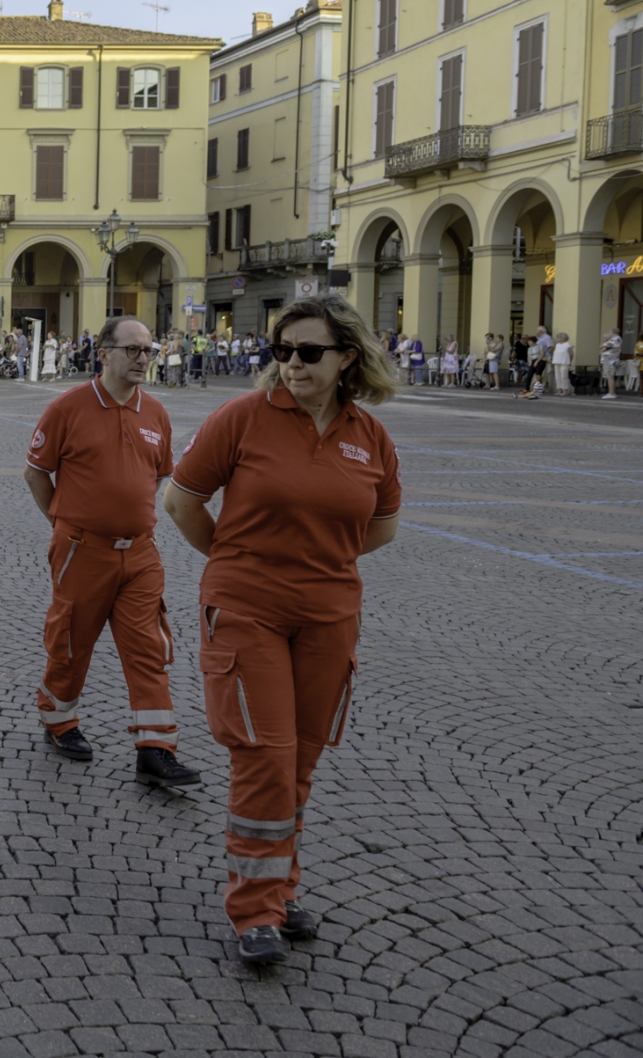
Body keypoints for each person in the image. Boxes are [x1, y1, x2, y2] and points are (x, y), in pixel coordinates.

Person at [163, 294, 402, 965]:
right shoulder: (242, 419)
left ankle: (281, 885)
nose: (291, 364)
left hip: (329, 613)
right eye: (281, 350)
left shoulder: (368, 435)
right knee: (263, 755)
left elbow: (382, 523)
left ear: (346, 358)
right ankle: (255, 909)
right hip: (247, 608)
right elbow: (181, 502)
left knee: (300, 759)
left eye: (308, 352)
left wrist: (322, 564)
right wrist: (239, 560)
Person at [22, 315, 200, 791]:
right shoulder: (68, 408)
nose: (143, 359)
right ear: (104, 353)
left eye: (149, 351)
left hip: (141, 554)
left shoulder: (156, 414)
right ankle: (58, 719)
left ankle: (156, 749)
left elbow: (158, 475)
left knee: (148, 648)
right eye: (133, 350)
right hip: (83, 550)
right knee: (72, 640)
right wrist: (65, 524)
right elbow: (37, 473)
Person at [603, 328, 623, 399]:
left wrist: (604, 345)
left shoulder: (614, 340)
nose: (609, 334)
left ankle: (611, 393)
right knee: (611, 377)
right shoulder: (618, 339)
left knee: (610, 377)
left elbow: (603, 347)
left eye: (610, 332)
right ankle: (612, 392)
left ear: (613, 333)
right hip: (612, 360)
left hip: (610, 360)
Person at [552, 331, 573, 396]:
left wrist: (570, 361)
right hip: (557, 362)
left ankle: (565, 390)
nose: (558, 339)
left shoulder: (567, 344)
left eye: (559, 338)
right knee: (557, 376)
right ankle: (559, 389)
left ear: (563, 338)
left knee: (564, 376)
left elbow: (571, 354)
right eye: (558, 338)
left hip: (564, 362)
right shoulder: (557, 345)